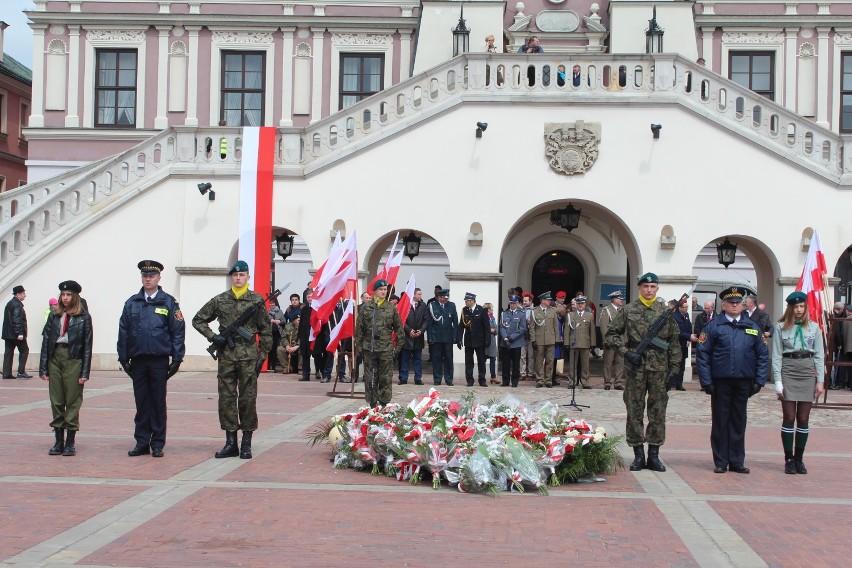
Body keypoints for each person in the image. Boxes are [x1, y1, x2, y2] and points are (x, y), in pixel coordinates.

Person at [192, 260, 272, 460]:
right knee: (227, 399)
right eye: (235, 275)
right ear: (231, 277)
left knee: (247, 399)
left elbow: (266, 331)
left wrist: (262, 356)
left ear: (248, 277)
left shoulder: (256, 301)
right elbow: (198, 320)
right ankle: (230, 443)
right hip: (227, 356)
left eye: (242, 275)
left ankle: (246, 442)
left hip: (248, 358)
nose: (238, 278)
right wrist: (213, 337)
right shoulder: (220, 300)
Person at [606, 273, 681, 472]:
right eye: (646, 286)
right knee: (634, 411)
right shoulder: (628, 310)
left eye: (653, 286)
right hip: (635, 368)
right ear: (639, 288)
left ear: (658, 289)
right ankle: (638, 455)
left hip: (659, 369)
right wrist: (626, 352)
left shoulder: (665, 312)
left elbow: (674, 342)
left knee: (657, 412)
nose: (649, 290)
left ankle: (654, 455)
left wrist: (674, 369)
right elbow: (611, 334)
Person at [696, 286, 768, 474]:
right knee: (720, 421)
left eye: (738, 303)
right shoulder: (713, 327)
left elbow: (762, 354)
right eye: (731, 303)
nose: (735, 306)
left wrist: (759, 381)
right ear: (724, 305)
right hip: (721, 382)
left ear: (743, 305)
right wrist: (706, 382)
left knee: (738, 421)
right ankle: (720, 461)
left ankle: (737, 460)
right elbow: (703, 355)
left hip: (744, 381)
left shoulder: (752, 327)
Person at [117, 260, 186, 458]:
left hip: (158, 360)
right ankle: (141, 442)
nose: (148, 279)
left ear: (158, 278)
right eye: (145, 276)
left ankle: (157, 443)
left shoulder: (169, 302)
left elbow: (178, 331)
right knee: (141, 403)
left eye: (152, 276)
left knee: (157, 403)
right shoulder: (132, 303)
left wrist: (177, 359)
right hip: (138, 360)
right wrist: (123, 358)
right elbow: (123, 331)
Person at [771, 291, 825, 474]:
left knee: (803, 418)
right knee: (789, 417)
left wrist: (820, 381)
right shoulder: (780, 327)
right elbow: (776, 356)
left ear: (806, 307)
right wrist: (777, 381)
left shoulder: (814, 328)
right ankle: (788, 459)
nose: (799, 310)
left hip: (807, 371)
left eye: (802, 306)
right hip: (789, 370)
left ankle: (799, 459)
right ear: (790, 308)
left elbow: (819, 355)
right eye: (796, 307)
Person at [39, 280, 93, 457]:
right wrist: (43, 367)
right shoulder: (54, 315)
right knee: (56, 400)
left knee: (72, 400)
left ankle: (70, 441)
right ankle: (58, 441)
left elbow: (87, 346)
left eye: (69, 294)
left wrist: (85, 372)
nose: (65, 298)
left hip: (73, 358)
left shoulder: (83, 317)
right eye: (63, 295)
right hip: (56, 356)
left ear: (75, 296)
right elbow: (46, 340)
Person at [355, 280, 404, 407]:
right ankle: (372, 403)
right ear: (375, 291)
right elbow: (359, 328)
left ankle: (383, 403)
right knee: (370, 377)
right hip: (369, 348)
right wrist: (359, 347)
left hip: (385, 349)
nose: (383, 291)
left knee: (385, 378)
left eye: (385, 289)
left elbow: (399, 329)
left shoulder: (391, 308)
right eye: (381, 289)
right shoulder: (366, 308)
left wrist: (398, 347)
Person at [457, 292, 491, 387]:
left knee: (481, 361)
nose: (466, 302)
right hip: (468, 340)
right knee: (469, 361)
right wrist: (459, 339)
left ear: (472, 301)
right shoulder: (464, 310)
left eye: (467, 301)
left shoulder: (481, 310)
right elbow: (461, 326)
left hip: (480, 340)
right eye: (465, 301)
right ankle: (470, 380)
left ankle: (482, 380)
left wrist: (488, 339)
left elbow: (486, 327)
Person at [427, 289, 458, 386]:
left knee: (449, 359)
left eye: (447, 297)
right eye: (444, 298)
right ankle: (437, 379)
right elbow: (429, 323)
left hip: (448, 337)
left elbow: (455, 322)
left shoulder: (451, 305)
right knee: (437, 359)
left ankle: (449, 379)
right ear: (439, 297)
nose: (446, 299)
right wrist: (429, 337)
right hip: (436, 337)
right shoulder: (432, 306)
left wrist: (455, 336)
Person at [565, 296, 596, 389]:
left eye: (582, 304)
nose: (580, 305)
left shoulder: (589, 315)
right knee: (572, 364)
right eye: (578, 304)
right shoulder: (570, 315)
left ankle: (585, 382)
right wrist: (566, 343)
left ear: (585, 304)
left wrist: (593, 343)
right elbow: (567, 330)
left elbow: (592, 331)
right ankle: (572, 382)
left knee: (585, 364)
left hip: (585, 342)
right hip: (574, 342)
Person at [400, 287, 429, 385]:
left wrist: (421, 330)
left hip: (418, 337)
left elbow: (426, 320)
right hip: (407, 337)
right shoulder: (406, 305)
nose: (421, 296)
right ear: (414, 295)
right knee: (405, 359)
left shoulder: (423, 306)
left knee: (418, 359)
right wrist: (408, 330)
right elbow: (401, 320)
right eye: (419, 294)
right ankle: (403, 378)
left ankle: (418, 378)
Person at [3, 285, 31, 379]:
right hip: (15, 334)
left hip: (8, 334)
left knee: (8, 352)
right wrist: (19, 333)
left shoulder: (10, 303)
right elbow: (16, 320)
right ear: (18, 294)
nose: (25, 296)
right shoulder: (17, 304)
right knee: (24, 350)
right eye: (23, 293)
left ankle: (6, 374)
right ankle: (21, 372)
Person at [532, 291, 559, 389]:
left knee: (550, 361)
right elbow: (532, 327)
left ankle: (548, 380)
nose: (550, 301)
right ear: (543, 301)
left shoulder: (553, 311)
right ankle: (539, 380)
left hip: (550, 339)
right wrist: (533, 340)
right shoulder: (535, 311)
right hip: (539, 339)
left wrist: (557, 339)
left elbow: (556, 326)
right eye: (548, 300)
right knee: (539, 361)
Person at [599, 290, 625, 390]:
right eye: (619, 299)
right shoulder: (607, 310)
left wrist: (626, 340)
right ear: (614, 300)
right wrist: (606, 340)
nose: (621, 300)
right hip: (611, 340)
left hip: (620, 339)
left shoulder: (622, 310)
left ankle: (618, 382)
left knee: (620, 362)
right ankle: (607, 382)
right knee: (608, 362)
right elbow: (604, 327)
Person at [499, 295, 527, 387]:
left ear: (517, 303)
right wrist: (505, 338)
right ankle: (505, 381)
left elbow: (522, 328)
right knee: (505, 363)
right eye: (511, 303)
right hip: (505, 342)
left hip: (516, 342)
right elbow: (502, 327)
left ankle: (515, 381)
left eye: (514, 303)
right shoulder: (504, 313)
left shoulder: (522, 313)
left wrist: (511, 338)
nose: (512, 305)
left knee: (515, 363)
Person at [669, 300, 692, 391]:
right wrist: (688, 336)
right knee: (674, 363)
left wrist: (688, 339)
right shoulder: (674, 316)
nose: (687, 308)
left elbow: (689, 327)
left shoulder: (686, 316)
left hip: (684, 344)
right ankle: (671, 383)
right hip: (676, 343)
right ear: (680, 308)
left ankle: (679, 384)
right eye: (685, 307)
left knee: (682, 364)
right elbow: (677, 331)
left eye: (687, 307)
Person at [519, 293, 535, 380]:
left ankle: (531, 373)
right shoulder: (520, 310)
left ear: (530, 301)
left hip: (531, 335)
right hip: (522, 336)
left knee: (531, 356)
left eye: (526, 301)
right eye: (523, 301)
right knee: (522, 356)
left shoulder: (534, 310)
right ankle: (523, 373)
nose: (524, 302)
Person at [266, 298, 283, 372]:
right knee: (268, 349)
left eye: (273, 303)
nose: (272, 304)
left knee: (274, 350)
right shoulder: (265, 311)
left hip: (277, 333)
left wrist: (279, 321)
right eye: (270, 303)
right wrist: (270, 321)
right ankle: (267, 366)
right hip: (268, 333)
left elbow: (284, 321)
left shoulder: (279, 311)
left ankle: (273, 367)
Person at [483, 303, 499, 384]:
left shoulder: (492, 318)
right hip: (485, 341)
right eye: (491, 308)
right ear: (488, 309)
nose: (492, 310)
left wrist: (494, 330)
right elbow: (483, 328)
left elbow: (496, 328)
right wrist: (490, 330)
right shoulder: (483, 317)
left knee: (493, 358)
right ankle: (482, 376)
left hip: (492, 341)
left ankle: (493, 377)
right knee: (483, 359)